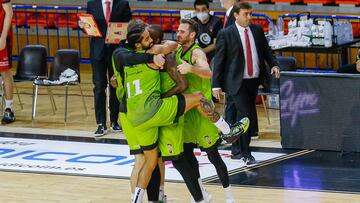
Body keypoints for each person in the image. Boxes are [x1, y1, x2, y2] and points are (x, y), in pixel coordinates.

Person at [176, 18, 248, 203]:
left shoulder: (197, 52)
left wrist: (190, 68)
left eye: (182, 31)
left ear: (192, 35)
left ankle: (229, 196)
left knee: (213, 156)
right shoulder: (177, 50)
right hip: (187, 112)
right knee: (188, 156)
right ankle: (200, 194)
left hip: (203, 112)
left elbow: (209, 73)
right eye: (178, 30)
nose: (178, 33)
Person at [212, 2, 280, 165]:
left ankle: (236, 149)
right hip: (236, 82)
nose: (249, 17)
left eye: (250, 14)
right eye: (245, 14)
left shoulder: (256, 30)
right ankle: (246, 153)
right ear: (236, 15)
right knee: (245, 116)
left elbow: (266, 51)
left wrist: (274, 64)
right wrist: (216, 85)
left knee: (242, 116)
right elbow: (219, 61)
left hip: (253, 80)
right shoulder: (226, 33)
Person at [79, 0, 131, 136]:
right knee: (99, 86)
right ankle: (101, 123)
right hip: (98, 52)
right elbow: (89, 26)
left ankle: (114, 121)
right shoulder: (92, 4)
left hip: (116, 52)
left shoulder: (123, 4)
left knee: (116, 86)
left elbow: (129, 27)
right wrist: (82, 26)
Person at [0, 0, 15, 124]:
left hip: (1, 36)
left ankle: (9, 108)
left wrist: (3, 37)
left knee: (5, 72)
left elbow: (9, 12)